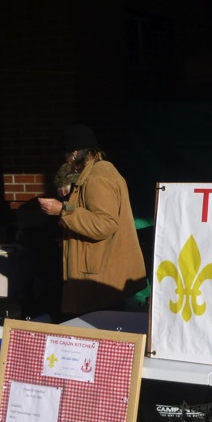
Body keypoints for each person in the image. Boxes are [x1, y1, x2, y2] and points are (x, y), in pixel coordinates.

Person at [38, 124, 147, 318]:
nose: (66, 160)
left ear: (74, 153)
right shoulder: (98, 171)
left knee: (97, 330)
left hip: (101, 277)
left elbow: (104, 223)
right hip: (103, 273)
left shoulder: (97, 176)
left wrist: (62, 210)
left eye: (66, 154)